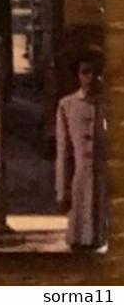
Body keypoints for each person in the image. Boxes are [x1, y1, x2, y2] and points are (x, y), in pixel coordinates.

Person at [56, 50, 108, 251]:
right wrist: (62, 191)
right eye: (85, 72)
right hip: (79, 184)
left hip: (104, 185)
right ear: (78, 75)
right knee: (79, 239)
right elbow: (63, 153)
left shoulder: (108, 105)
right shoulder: (67, 106)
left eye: (94, 72)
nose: (90, 77)